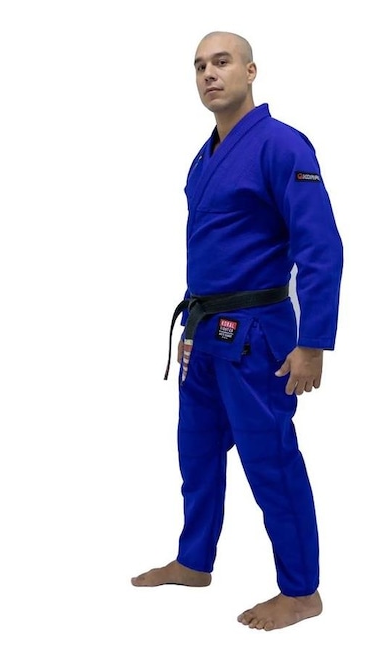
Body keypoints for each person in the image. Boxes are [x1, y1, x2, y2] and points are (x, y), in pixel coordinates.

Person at [131, 30, 344, 632]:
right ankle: (194, 560)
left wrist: (313, 342)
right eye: (199, 65)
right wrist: (191, 330)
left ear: (251, 71)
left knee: (269, 458)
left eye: (221, 62)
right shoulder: (204, 158)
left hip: (256, 334)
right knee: (196, 450)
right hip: (204, 330)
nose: (208, 73)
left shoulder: (281, 145)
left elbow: (321, 247)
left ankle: (301, 591)